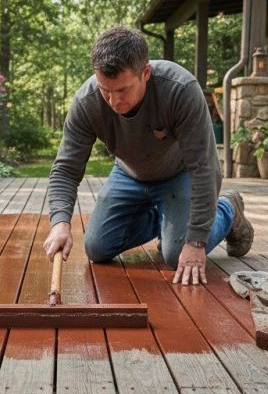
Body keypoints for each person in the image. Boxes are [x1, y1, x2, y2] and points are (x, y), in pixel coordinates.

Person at [43, 26, 253, 286]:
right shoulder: (87, 102)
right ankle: (169, 222)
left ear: (146, 73)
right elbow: (65, 169)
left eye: (122, 90)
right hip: (128, 174)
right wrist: (60, 222)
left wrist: (196, 240)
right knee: (96, 248)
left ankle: (227, 209)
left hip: (179, 173)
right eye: (105, 90)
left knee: (177, 255)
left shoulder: (180, 89)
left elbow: (204, 167)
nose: (113, 101)